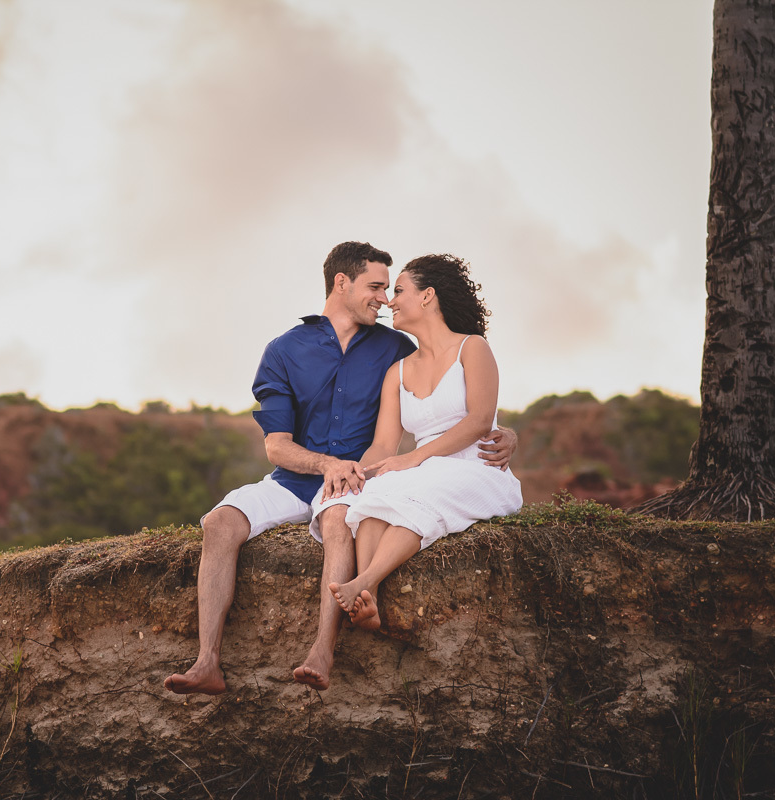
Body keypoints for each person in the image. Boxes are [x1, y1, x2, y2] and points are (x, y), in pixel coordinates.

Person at [163, 243, 517, 696]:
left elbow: (452, 399)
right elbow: (277, 446)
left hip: (354, 478)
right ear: (341, 283)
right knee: (219, 521)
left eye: (391, 289)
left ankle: (322, 651)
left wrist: (505, 432)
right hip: (296, 479)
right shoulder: (284, 350)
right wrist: (328, 464)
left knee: (337, 520)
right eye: (375, 287)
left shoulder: (395, 348)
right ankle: (206, 663)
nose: (384, 299)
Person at [324, 253, 523, 629]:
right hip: (424, 468)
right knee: (373, 498)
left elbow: (480, 421)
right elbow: (384, 445)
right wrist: (362, 473)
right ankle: (368, 602)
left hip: (475, 468)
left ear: (428, 296)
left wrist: (413, 459)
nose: (390, 301)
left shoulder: (472, 348)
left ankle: (365, 582)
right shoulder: (397, 371)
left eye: (399, 290)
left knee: (416, 494)